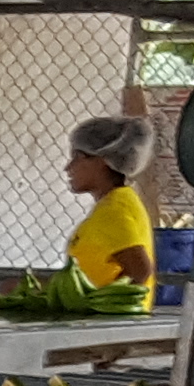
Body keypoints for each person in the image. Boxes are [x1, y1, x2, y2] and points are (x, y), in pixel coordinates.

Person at [62, 115, 156, 293]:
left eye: (77, 157)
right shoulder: (115, 203)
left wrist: (98, 304)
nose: (68, 167)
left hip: (108, 320)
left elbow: (140, 271)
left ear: (103, 160)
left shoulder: (114, 210)